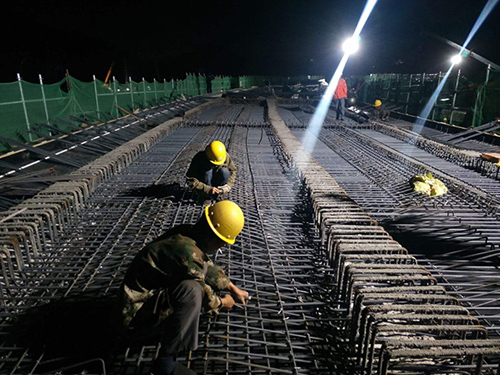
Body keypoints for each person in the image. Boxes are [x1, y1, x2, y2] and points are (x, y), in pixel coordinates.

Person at [113, 200, 248, 375]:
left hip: (139, 298)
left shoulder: (187, 234)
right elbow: (206, 296)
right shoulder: (187, 253)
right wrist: (223, 302)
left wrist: (231, 287)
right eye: (222, 243)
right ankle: (166, 363)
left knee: (191, 285)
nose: (222, 246)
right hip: (133, 318)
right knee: (191, 291)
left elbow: (205, 265)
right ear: (211, 238)